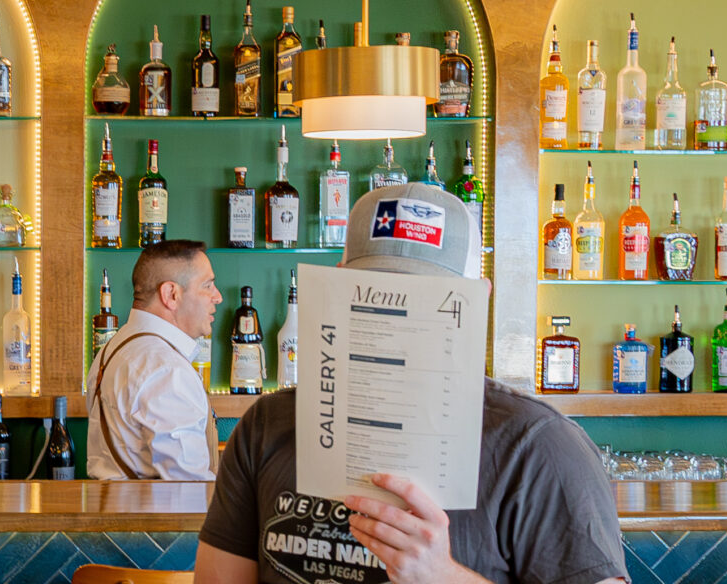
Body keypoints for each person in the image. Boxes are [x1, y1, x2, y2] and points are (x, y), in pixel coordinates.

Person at [193, 183, 627, 584]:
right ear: (338, 283)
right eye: (369, 291)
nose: (392, 315)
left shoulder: (539, 448)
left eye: (425, 301)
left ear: (478, 298)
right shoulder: (267, 424)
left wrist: (443, 575)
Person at [87, 239, 222, 481]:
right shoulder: (166, 368)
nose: (217, 297)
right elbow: (189, 486)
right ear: (171, 294)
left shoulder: (111, 349)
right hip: (155, 518)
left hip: (114, 511)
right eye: (208, 285)